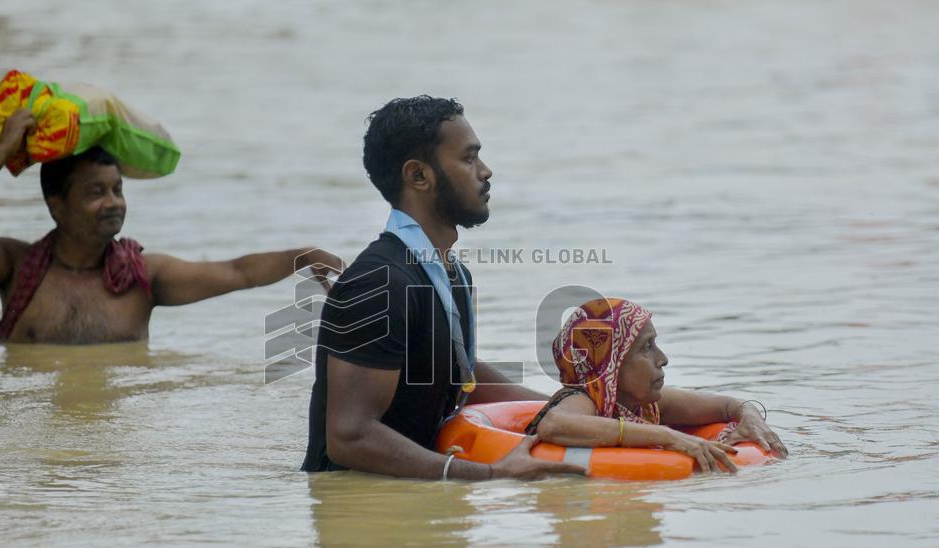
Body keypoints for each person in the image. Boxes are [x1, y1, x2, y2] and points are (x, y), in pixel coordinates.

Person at [302, 95, 585, 480]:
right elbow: (349, 439)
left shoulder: (452, 273)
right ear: (419, 176)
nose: (486, 171)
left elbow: (456, 374)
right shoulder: (379, 284)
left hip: (417, 500)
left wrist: (565, 406)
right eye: (468, 159)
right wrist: (489, 475)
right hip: (357, 514)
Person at [0, 109, 343, 344]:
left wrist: (302, 257)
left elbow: (237, 272)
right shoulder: (17, 266)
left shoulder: (140, 277)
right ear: (56, 205)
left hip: (118, 463)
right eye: (96, 192)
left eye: (117, 189)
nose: (113, 202)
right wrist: (3, 152)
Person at [526, 297, 789, 473]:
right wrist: (669, 436)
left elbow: (728, 406)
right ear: (610, 363)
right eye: (646, 348)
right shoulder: (581, 398)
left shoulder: (645, 405)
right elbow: (554, 424)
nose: (663, 359)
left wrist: (750, 415)